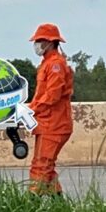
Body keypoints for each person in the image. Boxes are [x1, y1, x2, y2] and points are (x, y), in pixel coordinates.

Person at [26, 23, 74, 196]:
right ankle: (59, 205)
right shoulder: (47, 63)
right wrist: (30, 109)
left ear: (50, 42)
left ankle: (31, 204)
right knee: (46, 167)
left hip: (54, 125)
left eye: (40, 40)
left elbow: (52, 95)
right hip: (47, 123)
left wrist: (32, 110)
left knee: (41, 166)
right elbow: (41, 95)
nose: (37, 44)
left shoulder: (55, 65)